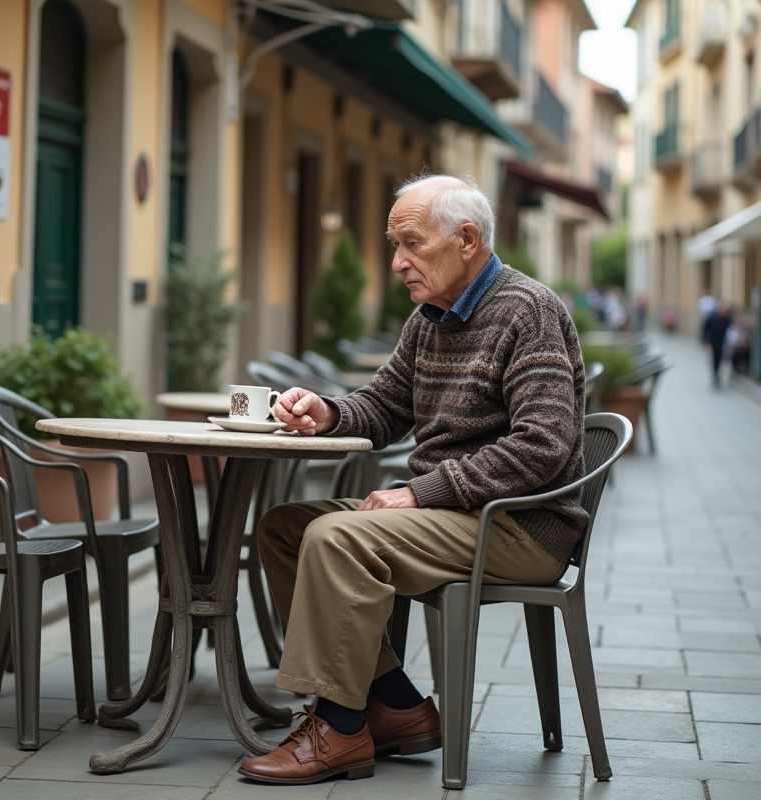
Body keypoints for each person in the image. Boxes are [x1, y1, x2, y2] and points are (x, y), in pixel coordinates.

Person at [237, 175, 587, 785]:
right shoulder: (430, 319)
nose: (397, 262)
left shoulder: (528, 311)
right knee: (287, 528)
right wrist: (328, 412)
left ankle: (340, 728)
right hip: (456, 517)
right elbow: (384, 406)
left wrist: (422, 491)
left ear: (467, 240)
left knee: (339, 537)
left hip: (521, 526)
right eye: (393, 245)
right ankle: (397, 706)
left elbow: (544, 445)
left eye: (412, 244)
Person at [702, 302, 733, 387]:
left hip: (723, 344)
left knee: (721, 360)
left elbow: (732, 327)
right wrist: (706, 342)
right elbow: (705, 331)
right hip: (713, 342)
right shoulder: (712, 318)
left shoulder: (726, 319)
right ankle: (715, 375)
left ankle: (717, 374)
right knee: (714, 360)